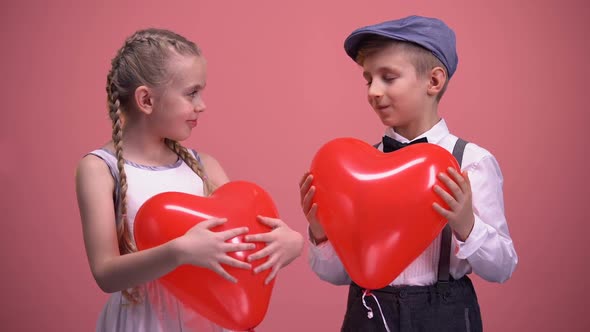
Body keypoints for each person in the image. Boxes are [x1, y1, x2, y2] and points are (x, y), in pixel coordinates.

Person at [75, 28, 303, 332]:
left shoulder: (204, 166)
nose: (202, 105)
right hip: (143, 322)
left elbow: (244, 240)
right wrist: (179, 252)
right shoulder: (99, 170)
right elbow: (105, 274)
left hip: (208, 319)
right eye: (191, 93)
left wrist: (291, 242)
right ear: (146, 99)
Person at [300, 15, 517, 331]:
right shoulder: (356, 169)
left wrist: (467, 224)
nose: (373, 91)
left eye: (388, 77)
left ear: (433, 81)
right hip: (369, 313)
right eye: (368, 79)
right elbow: (336, 275)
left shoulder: (471, 162)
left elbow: (503, 267)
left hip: (445, 316)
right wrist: (321, 233)